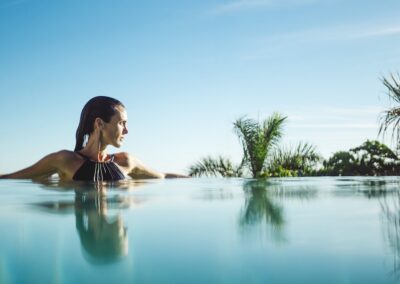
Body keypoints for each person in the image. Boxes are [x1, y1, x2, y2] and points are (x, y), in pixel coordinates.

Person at [0, 96, 187, 181]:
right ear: (100, 124)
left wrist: (191, 178)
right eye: (122, 123)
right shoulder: (65, 160)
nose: (127, 131)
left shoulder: (126, 161)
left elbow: (163, 176)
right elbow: (13, 177)